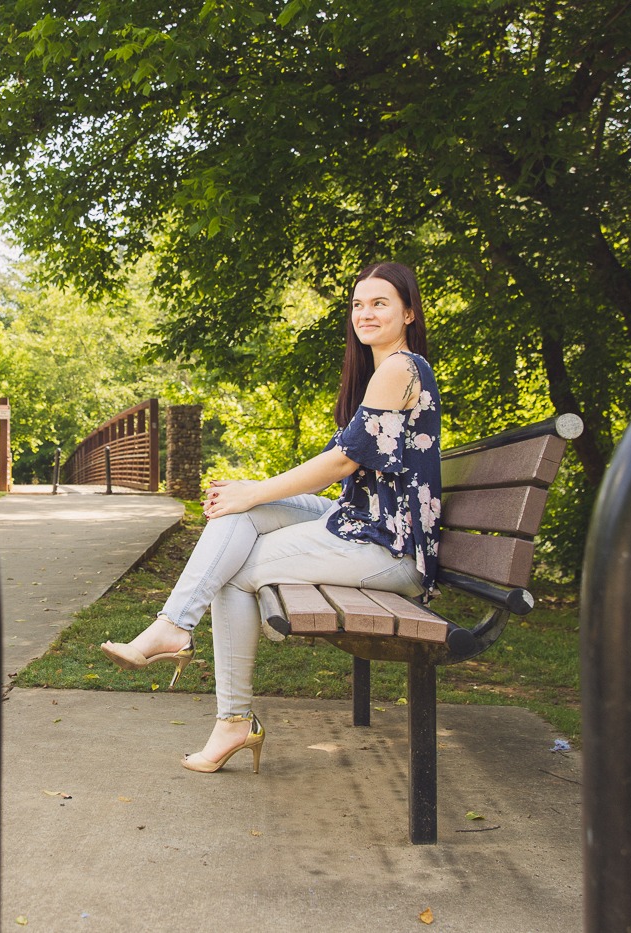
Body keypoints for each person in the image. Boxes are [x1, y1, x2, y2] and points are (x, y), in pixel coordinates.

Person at [100, 260, 442, 774]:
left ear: (409, 313)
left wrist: (255, 489)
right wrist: (248, 495)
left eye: (380, 303)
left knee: (233, 568)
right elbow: (343, 463)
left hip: (390, 548)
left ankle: (227, 710)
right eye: (358, 304)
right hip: (362, 521)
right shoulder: (381, 373)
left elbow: (342, 462)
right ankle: (174, 627)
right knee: (237, 516)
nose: (365, 313)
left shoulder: (400, 368)